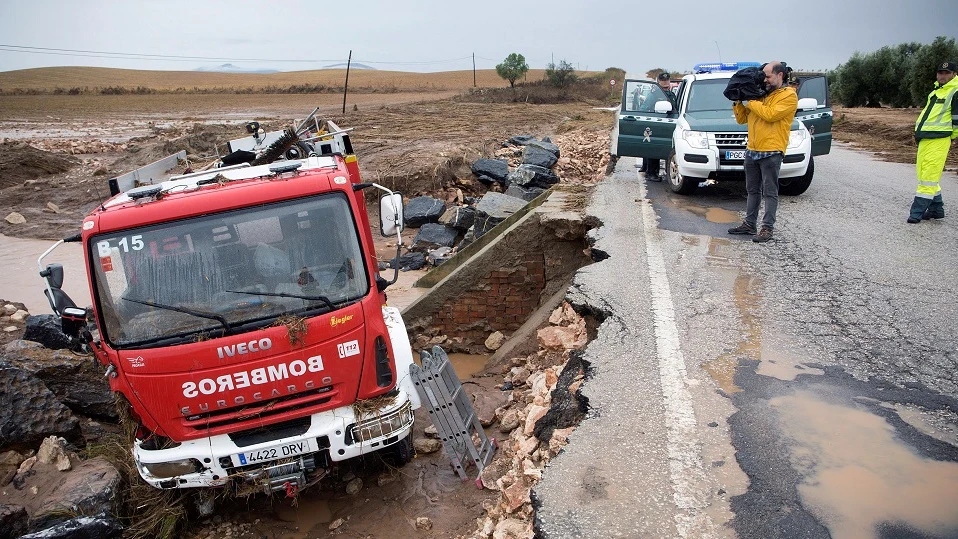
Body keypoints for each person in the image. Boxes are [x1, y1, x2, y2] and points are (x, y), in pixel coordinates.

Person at [727, 61, 798, 243]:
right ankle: (750, 224)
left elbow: (770, 115)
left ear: (780, 75)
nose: (764, 80)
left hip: (772, 150)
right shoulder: (760, 95)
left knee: (770, 192)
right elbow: (742, 119)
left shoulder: (788, 96)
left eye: (768, 76)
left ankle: (767, 228)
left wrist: (750, 100)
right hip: (752, 149)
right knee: (752, 190)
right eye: (763, 76)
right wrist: (738, 100)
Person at [907, 61, 958, 223]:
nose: (942, 76)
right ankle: (936, 209)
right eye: (940, 73)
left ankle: (916, 212)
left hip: (939, 139)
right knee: (924, 175)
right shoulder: (938, 91)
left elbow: (956, 119)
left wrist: (953, 136)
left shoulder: (955, 92)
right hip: (926, 138)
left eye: (946, 73)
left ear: (954, 74)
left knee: (929, 175)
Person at [644, 72, 677, 182]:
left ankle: (669, 171)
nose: (665, 83)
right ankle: (651, 173)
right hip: (656, 124)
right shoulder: (653, 95)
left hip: (670, 124)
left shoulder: (672, 95)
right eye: (663, 81)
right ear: (658, 81)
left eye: (667, 81)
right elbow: (644, 109)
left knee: (669, 148)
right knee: (654, 148)